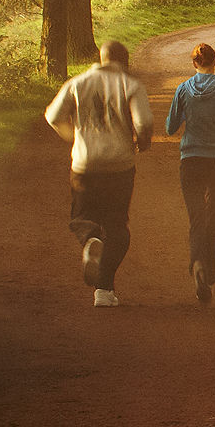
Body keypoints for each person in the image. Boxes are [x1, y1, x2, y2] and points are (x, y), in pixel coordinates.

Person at [43, 39, 153, 307]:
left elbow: (54, 115)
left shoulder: (77, 83)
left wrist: (74, 139)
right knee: (117, 227)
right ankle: (104, 290)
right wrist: (143, 142)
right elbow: (145, 121)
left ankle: (90, 237)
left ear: (101, 58)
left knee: (81, 216)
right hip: (119, 166)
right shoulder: (131, 85)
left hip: (85, 164)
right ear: (124, 62)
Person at [164, 39, 215, 306]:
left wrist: (187, 114)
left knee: (196, 217)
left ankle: (198, 264)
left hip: (191, 159)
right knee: (213, 215)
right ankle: (210, 273)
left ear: (194, 63)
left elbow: (170, 127)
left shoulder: (183, 89)